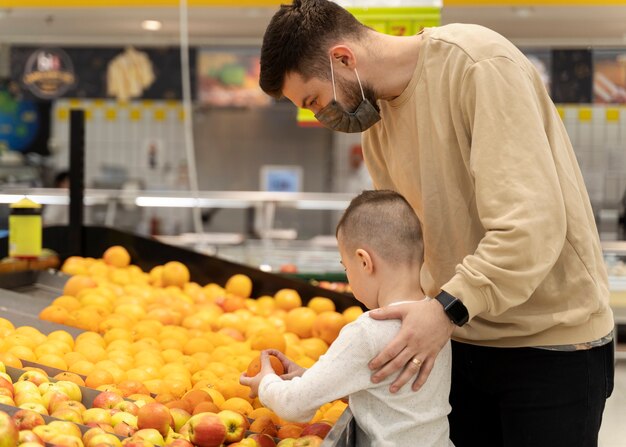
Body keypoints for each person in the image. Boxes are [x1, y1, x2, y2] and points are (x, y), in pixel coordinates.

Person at [258, 1, 615, 446]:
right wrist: (333, 374)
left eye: (315, 100)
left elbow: (531, 226)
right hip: (457, 341)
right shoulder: (378, 126)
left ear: (343, 59)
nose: (320, 117)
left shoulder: (477, 65)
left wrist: (448, 308)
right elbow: (405, 251)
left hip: (549, 345)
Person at [241, 190, 453, 447]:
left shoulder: (367, 330)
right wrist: (310, 376)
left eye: (346, 268)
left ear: (364, 262)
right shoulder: (433, 324)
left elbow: (293, 405)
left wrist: (265, 383)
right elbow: (389, 395)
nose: (349, 280)